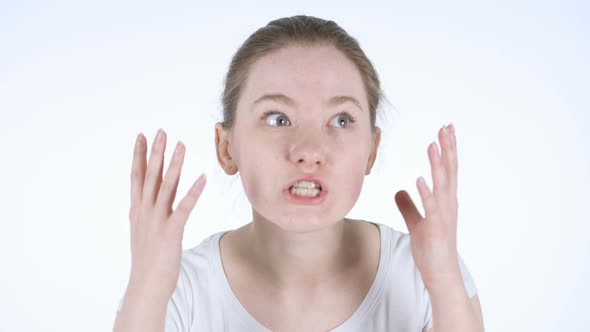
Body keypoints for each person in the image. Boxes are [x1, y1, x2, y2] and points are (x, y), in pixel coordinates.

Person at [113, 15, 484, 332]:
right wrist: (148, 291)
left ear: (371, 150)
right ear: (226, 147)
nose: (308, 150)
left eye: (341, 120)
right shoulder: (178, 287)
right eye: (278, 118)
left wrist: (443, 282)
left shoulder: (423, 273)